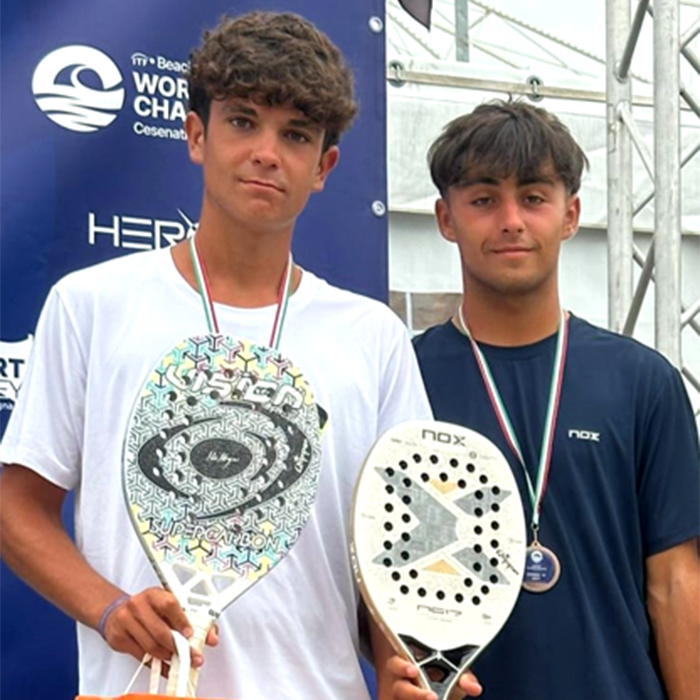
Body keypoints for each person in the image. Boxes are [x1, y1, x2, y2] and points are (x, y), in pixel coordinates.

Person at [0, 11, 431, 700]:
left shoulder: (372, 337)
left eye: (295, 135)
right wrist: (109, 609)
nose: (266, 151)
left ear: (324, 168)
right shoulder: (93, 304)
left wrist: (398, 670)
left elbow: (387, 553)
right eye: (242, 121)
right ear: (196, 134)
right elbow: (15, 508)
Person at [385, 100, 700, 700]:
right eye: (483, 199)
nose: (510, 220)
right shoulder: (403, 376)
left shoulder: (642, 382)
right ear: (445, 218)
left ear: (570, 214)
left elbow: (676, 584)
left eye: (533, 197)